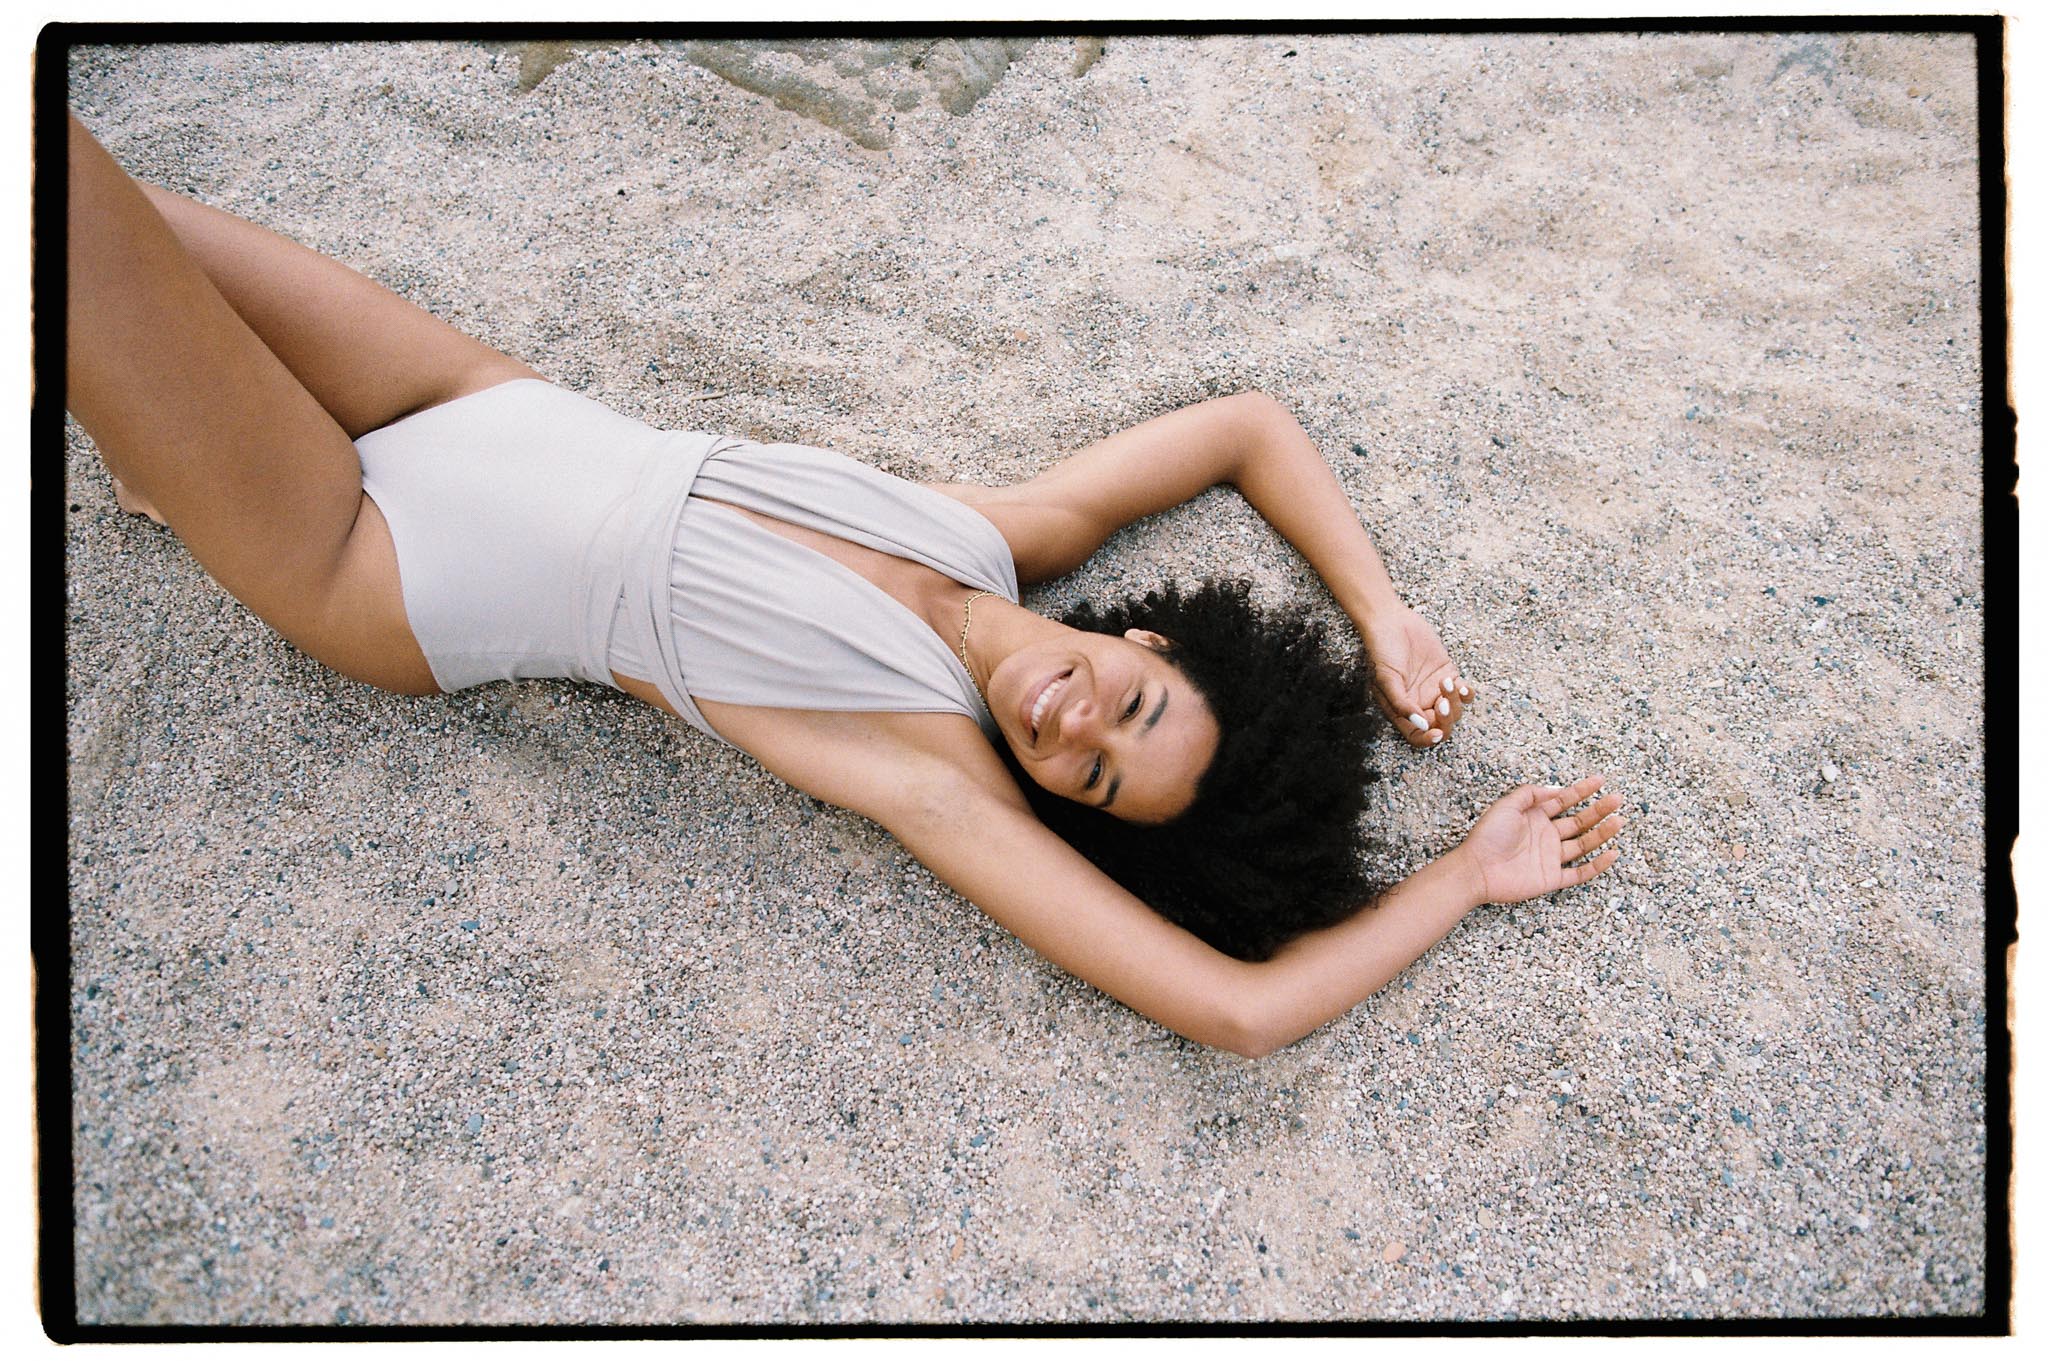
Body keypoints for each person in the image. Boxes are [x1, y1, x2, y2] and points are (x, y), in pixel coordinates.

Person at [64, 112, 1626, 1058]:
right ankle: (173, 463)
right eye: (1135, 707)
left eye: (1091, 776)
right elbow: (1246, 427)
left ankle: (194, 468)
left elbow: (1240, 1007)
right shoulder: (1002, 535)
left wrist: (1460, 880)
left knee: (58, 210)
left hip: (375, 563)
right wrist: (1380, 610)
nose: (1071, 725)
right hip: (472, 393)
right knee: (102, 199)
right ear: (1158, 633)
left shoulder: (937, 772)